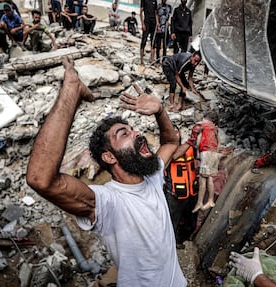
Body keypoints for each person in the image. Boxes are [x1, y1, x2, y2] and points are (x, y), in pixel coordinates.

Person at [26, 56, 186, 287]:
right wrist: (71, 91)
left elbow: (171, 142)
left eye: (133, 129)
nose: (137, 133)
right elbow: (41, 178)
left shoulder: (151, 176)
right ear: (109, 157)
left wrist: (160, 110)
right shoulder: (108, 202)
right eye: (124, 134)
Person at [164, 125, 198, 248]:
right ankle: (170, 246)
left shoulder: (189, 148)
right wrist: (191, 141)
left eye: (176, 131)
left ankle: (181, 241)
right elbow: (174, 156)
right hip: (175, 194)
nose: (175, 134)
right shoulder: (166, 150)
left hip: (191, 192)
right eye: (172, 132)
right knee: (171, 223)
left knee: (191, 223)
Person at [185, 111, 222, 212]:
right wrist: (216, 153)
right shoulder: (215, 128)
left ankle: (203, 201)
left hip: (206, 152)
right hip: (213, 153)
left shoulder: (203, 125)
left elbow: (197, 141)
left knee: (203, 178)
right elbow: (219, 142)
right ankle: (207, 200)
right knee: (208, 176)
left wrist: (197, 152)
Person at [139, 0, 158, 65]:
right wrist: (142, 24)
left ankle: (152, 60)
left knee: (153, 42)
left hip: (153, 23)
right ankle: (141, 60)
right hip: (146, 22)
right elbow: (141, 12)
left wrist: (157, 24)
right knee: (144, 41)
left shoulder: (155, 1)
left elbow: (155, 13)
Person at [155, 0, 172, 64]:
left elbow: (170, 16)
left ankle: (164, 60)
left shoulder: (169, 7)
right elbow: (156, 15)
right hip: (159, 29)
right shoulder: (158, 6)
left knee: (165, 45)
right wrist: (157, 24)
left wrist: (168, 23)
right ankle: (157, 60)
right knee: (158, 45)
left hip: (166, 29)